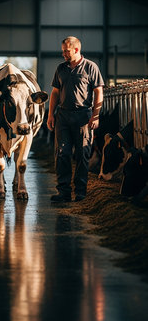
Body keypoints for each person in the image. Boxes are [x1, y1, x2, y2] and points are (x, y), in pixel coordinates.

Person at [47, 36, 104, 203]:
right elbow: (55, 93)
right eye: (63, 51)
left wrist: (96, 114)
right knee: (61, 154)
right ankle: (63, 192)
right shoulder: (61, 68)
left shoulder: (90, 67)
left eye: (66, 51)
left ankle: (80, 192)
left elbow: (98, 91)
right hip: (63, 116)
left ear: (76, 50)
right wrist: (51, 114)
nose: (63, 54)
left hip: (83, 116)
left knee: (82, 154)